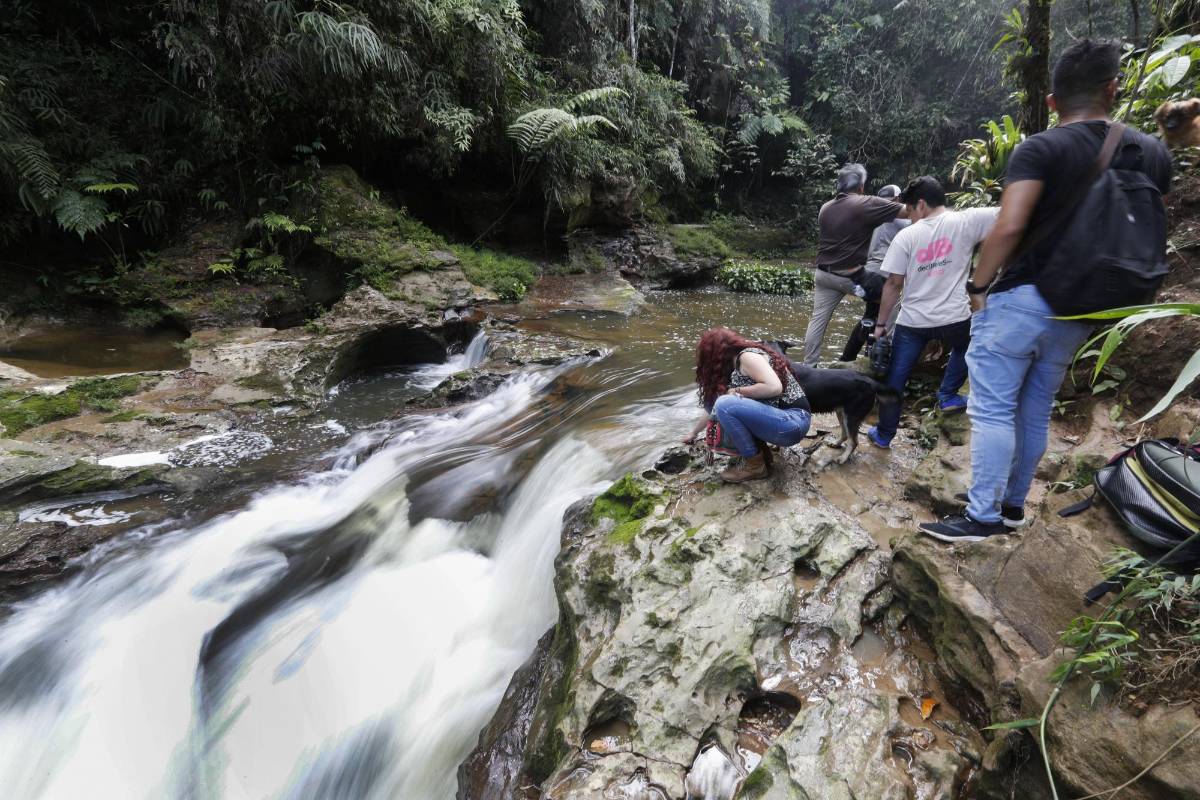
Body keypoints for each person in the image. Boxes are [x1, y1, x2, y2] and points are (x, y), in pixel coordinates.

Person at [919, 39, 1173, 543]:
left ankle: (982, 517)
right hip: (1083, 307)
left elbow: (1009, 226)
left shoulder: (1041, 148)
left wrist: (977, 286)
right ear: (1113, 89)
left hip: (1023, 297)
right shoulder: (1153, 151)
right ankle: (1013, 507)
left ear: (1053, 101)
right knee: (1034, 409)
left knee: (991, 409)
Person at [864, 177, 999, 449]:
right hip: (955, 318)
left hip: (913, 322)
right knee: (965, 348)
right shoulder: (968, 220)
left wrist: (880, 326)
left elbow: (893, 284)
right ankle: (948, 394)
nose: (910, 217)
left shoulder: (908, 235)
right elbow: (1011, 218)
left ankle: (884, 435)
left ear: (921, 205)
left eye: (910, 211)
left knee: (896, 380)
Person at [802, 164, 907, 366]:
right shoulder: (865, 203)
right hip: (851, 276)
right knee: (891, 298)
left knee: (818, 321)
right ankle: (883, 351)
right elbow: (908, 212)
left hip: (823, 274)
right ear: (860, 187)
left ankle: (809, 365)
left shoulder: (825, 207)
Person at [684, 328, 812, 482]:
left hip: (794, 421)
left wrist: (736, 391)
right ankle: (762, 457)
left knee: (726, 404)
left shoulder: (747, 357)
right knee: (724, 403)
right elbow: (712, 407)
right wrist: (693, 433)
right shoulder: (733, 367)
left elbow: (774, 387)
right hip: (784, 423)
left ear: (715, 354)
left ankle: (755, 466)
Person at [840, 184, 910, 361]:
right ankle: (880, 358)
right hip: (887, 272)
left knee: (869, 316)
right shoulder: (901, 220)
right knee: (888, 318)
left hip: (868, 271)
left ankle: (848, 357)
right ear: (897, 199)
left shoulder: (870, 216)